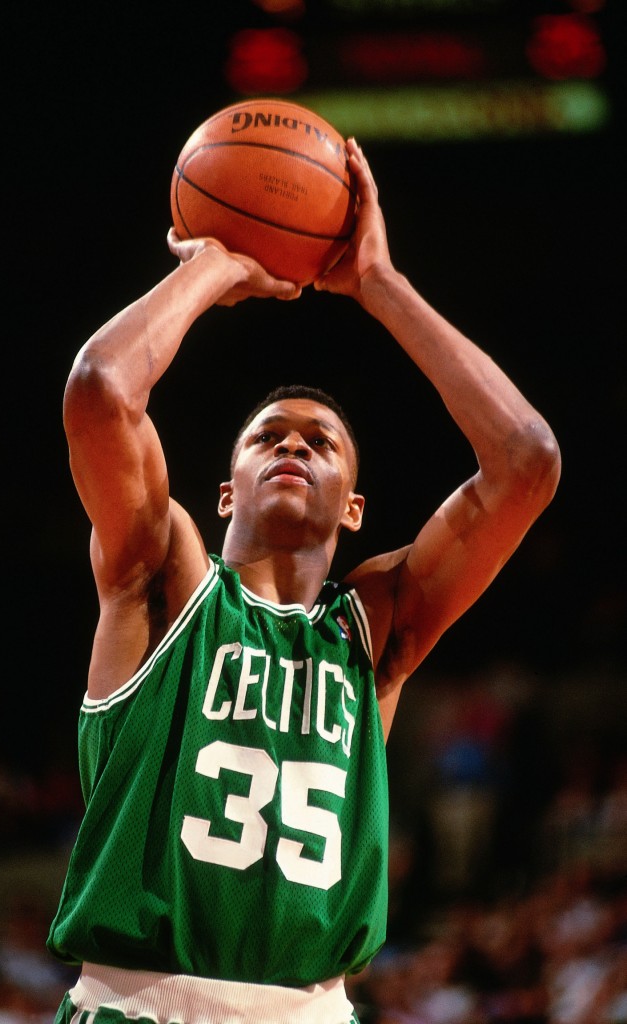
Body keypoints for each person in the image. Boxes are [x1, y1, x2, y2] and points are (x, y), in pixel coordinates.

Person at [47, 138, 561, 1024]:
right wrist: (210, 268)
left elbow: (526, 460)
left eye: (319, 442)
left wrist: (376, 283)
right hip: (143, 1006)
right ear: (225, 489)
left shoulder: (376, 624)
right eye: (269, 437)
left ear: (353, 506)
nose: (293, 446)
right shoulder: (163, 577)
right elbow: (99, 389)